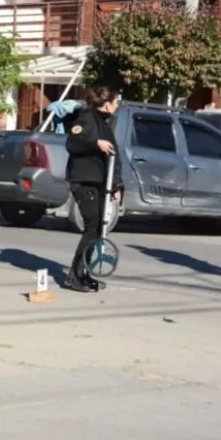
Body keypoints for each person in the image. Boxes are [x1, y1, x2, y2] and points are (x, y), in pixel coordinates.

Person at [64, 86, 122, 293]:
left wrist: (116, 185)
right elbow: (72, 143)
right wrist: (95, 143)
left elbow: (113, 157)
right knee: (92, 226)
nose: (117, 106)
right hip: (84, 181)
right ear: (106, 104)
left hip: (99, 182)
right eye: (115, 102)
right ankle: (74, 276)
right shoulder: (86, 118)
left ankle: (85, 273)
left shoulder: (104, 123)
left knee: (97, 229)